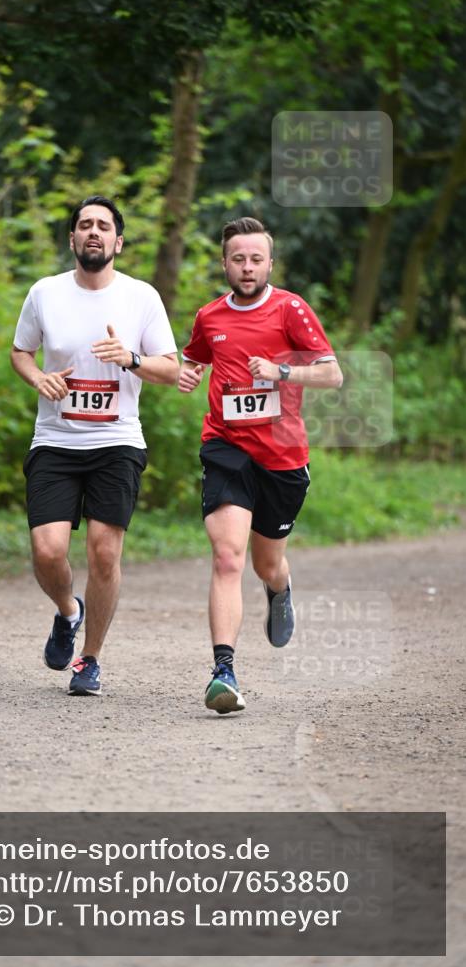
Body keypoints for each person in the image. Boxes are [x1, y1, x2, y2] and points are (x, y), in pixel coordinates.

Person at [11, 196, 179, 697]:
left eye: (103, 226)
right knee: (47, 550)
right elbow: (21, 352)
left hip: (117, 441)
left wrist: (130, 358)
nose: (93, 232)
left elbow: (170, 368)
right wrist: (39, 377)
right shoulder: (44, 293)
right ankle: (68, 612)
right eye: (84, 225)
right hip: (57, 441)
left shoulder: (141, 298)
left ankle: (90, 660)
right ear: (72, 239)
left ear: (118, 242)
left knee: (104, 554)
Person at [178, 216, 343, 715]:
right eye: (237, 259)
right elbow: (196, 357)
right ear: (224, 263)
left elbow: (332, 374)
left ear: (270, 263)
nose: (246, 268)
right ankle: (222, 671)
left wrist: (281, 370)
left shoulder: (291, 308)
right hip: (226, 448)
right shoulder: (210, 316)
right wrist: (189, 373)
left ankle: (279, 588)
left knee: (264, 563)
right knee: (227, 556)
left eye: (256, 259)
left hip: (283, 456)